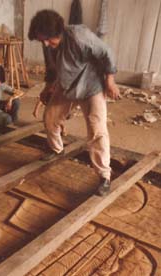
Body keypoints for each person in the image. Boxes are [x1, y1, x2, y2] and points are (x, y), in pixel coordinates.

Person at [28, 10, 120, 196]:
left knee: (97, 130)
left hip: (91, 85)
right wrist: (47, 88)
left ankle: (104, 176)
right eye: (42, 40)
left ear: (58, 32)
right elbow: (51, 70)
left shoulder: (79, 36)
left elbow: (106, 53)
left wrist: (110, 81)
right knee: (50, 119)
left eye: (47, 39)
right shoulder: (48, 43)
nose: (45, 44)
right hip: (67, 85)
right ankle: (57, 150)